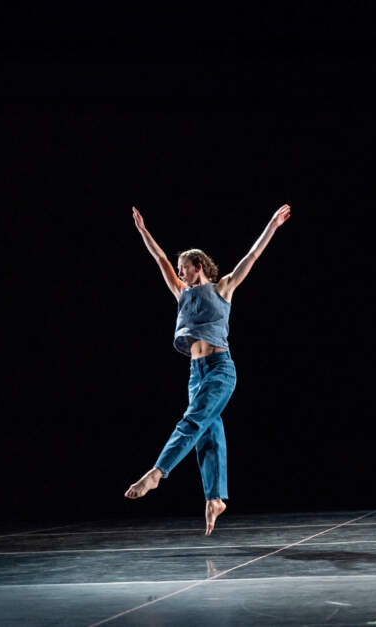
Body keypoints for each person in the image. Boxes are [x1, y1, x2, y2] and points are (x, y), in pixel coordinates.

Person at [124, 204, 291, 535]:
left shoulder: (223, 288)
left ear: (198, 266)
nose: (178, 271)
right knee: (208, 434)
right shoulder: (181, 293)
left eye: (183, 266)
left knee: (193, 421)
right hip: (195, 375)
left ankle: (158, 472)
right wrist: (144, 232)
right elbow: (159, 259)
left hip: (219, 370)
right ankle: (215, 498)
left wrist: (271, 224)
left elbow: (253, 255)